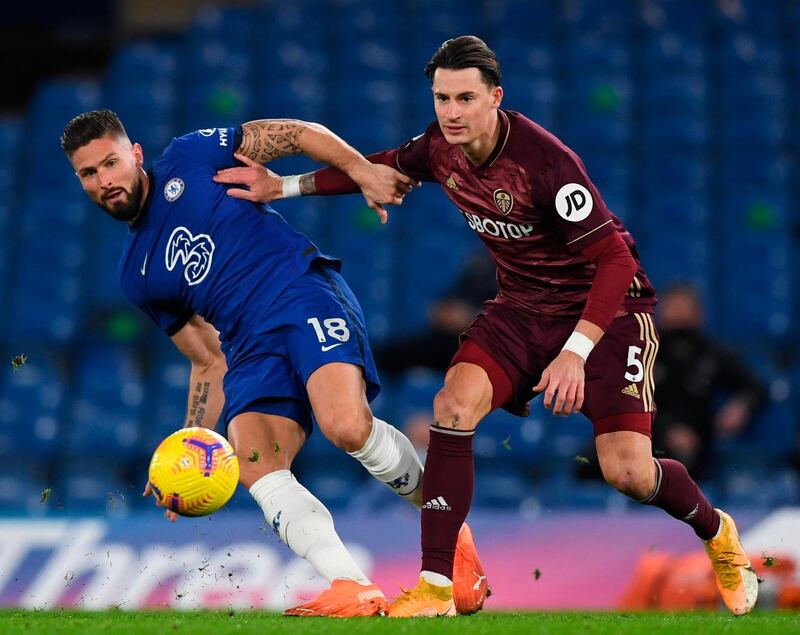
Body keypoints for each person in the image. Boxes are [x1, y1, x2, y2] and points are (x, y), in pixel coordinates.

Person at [213, 36, 760, 617]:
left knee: (626, 471)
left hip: (610, 313)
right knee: (452, 406)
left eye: (464, 98)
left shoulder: (546, 162)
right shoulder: (439, 149)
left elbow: (616, 262)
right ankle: (436, 585)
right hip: (521, 309)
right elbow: (382, 169)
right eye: (441, 98)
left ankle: (716, 531)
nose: (450, 112)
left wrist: (575, 352)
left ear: (495, 97)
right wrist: (284, 187)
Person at [60, 109, 489, 617]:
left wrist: (362, 171)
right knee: (255, 462)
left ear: (133, 154)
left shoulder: (191, 155)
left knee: (347, 427)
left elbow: (298, 133)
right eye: (89, 173)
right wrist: (187, 445)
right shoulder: (137, 274)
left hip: (299, 291)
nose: (105, 181)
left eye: (111, 163)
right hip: (247, 343)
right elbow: (206, 360)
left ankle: (450, 532)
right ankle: (351, 585)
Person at [653, 283, 766, 480]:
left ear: (698, 313)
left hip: (698, 442)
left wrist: (741, 405)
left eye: (684, 308)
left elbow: (755, 388)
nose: (679, 315)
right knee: (590, 460)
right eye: (673, 308)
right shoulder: (647, 352)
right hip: (650, 438)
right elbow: (626, 398)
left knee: (684, 465)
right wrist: (666, 430)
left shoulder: (711, 354)